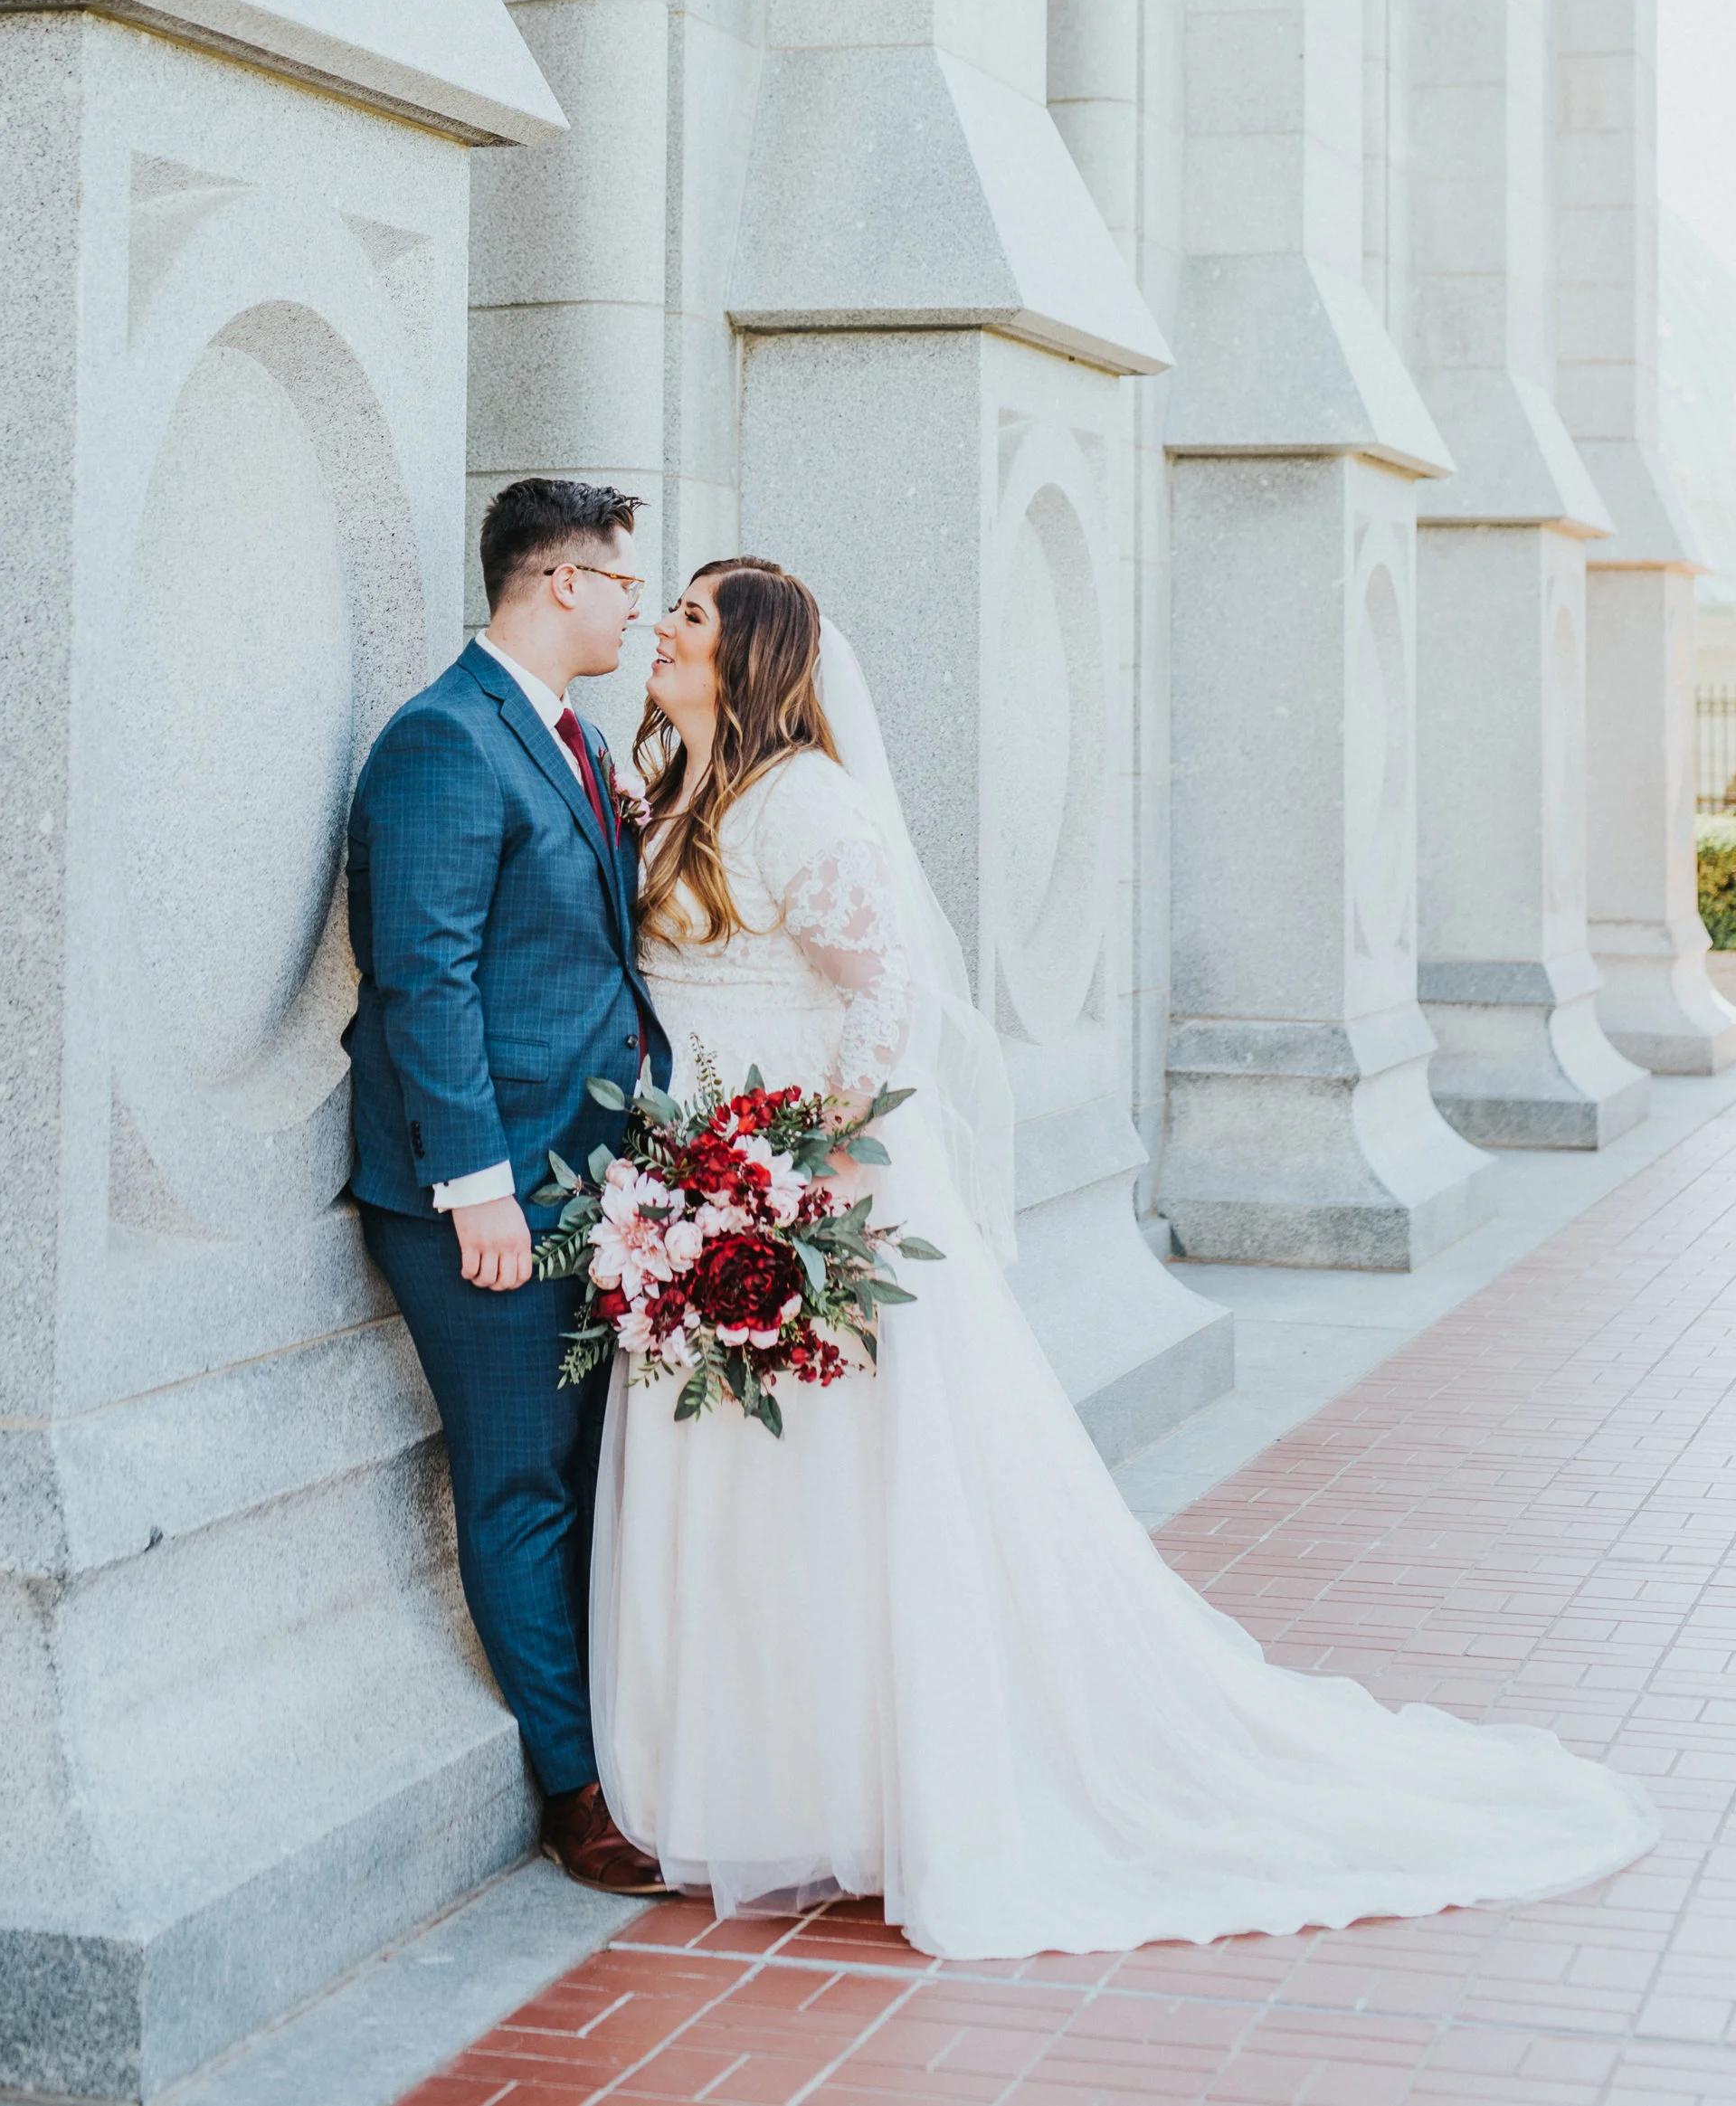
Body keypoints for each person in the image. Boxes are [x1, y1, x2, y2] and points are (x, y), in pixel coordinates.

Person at [589, 555, 1661, 1959]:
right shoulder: (677, 792)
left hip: (802, 1193)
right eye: (664, 606)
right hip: (703, 1182)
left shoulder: (808, 804)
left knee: (842, 1493)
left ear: (757, 658)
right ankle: (759, 1782)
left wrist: (803, 1177)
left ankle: (880, 1784)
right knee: (743, 1497)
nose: (663, 629)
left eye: (691, 617)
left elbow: (883, 998)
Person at [346, 479, 674, 1895]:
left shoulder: (572, 739)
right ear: (557, 584)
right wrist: (477, 1190)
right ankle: (575, 1789)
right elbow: (426, 977)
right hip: (487, 1196)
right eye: (622, 584)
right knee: (520, 1482)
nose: (635, 610)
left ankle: (622, 1739)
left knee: (588, 1472)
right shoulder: (438, 742)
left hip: (589, 1173)